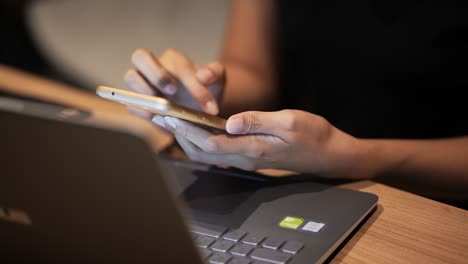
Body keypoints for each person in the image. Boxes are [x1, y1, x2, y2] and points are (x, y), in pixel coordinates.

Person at [123, 1, 468, 202]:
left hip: (429, 201)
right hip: (292, 179)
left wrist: (356, 157)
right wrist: (201, 97)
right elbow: (253, 70)